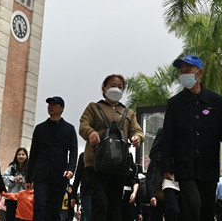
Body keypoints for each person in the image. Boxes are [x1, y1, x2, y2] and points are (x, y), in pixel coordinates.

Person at [161, 54, 222, 221]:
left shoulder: (215, 101)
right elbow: (167, 137)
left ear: (199, 73)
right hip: (185, 167)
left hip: (209, 167)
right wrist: (166, 165)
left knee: (206, 212)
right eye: (181, 70)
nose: (184, 73)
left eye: (188, 69)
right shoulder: (174, 103)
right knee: (192, 206)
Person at [79, 74, 144, 221]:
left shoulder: (129, 113)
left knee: (115, 205)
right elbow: (83, 125)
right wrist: (91, 132)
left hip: (119, 164)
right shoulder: (93, 107)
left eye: (120, 87)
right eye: (113, 85)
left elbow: (137, 130)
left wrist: (137, 137)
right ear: (104, 88)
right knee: (100, 202)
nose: (116, 88)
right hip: (96, 164)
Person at [26, 96, 78, 221]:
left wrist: (71, 169)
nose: (51, 106)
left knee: (55, 209)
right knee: (39, 206)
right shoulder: (40, 128)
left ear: (62, 108)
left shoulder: (69, 129)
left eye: (55, 104)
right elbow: (33, 153)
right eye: (49, 104)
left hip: (60, 174)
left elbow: (74, 150)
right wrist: (28, 178)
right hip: (41, 175)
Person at [0, 147, 29, 221]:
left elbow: (31, 184)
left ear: (26, 156)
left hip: (24, 199)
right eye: (19, 154)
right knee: (10, 218)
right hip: (11, 197)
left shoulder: (29, 168)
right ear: (16, 156)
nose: (21, 156)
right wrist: (13, 179)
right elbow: (4, 179)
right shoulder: (12, 167)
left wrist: (22, 182)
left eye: (23, 154)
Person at [70, 152, 91, 221]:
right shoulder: (83, 156)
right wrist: (73, 195)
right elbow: (78, 176)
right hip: (87, 191)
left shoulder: (103, 153)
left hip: (99, 191)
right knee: (89, 216)